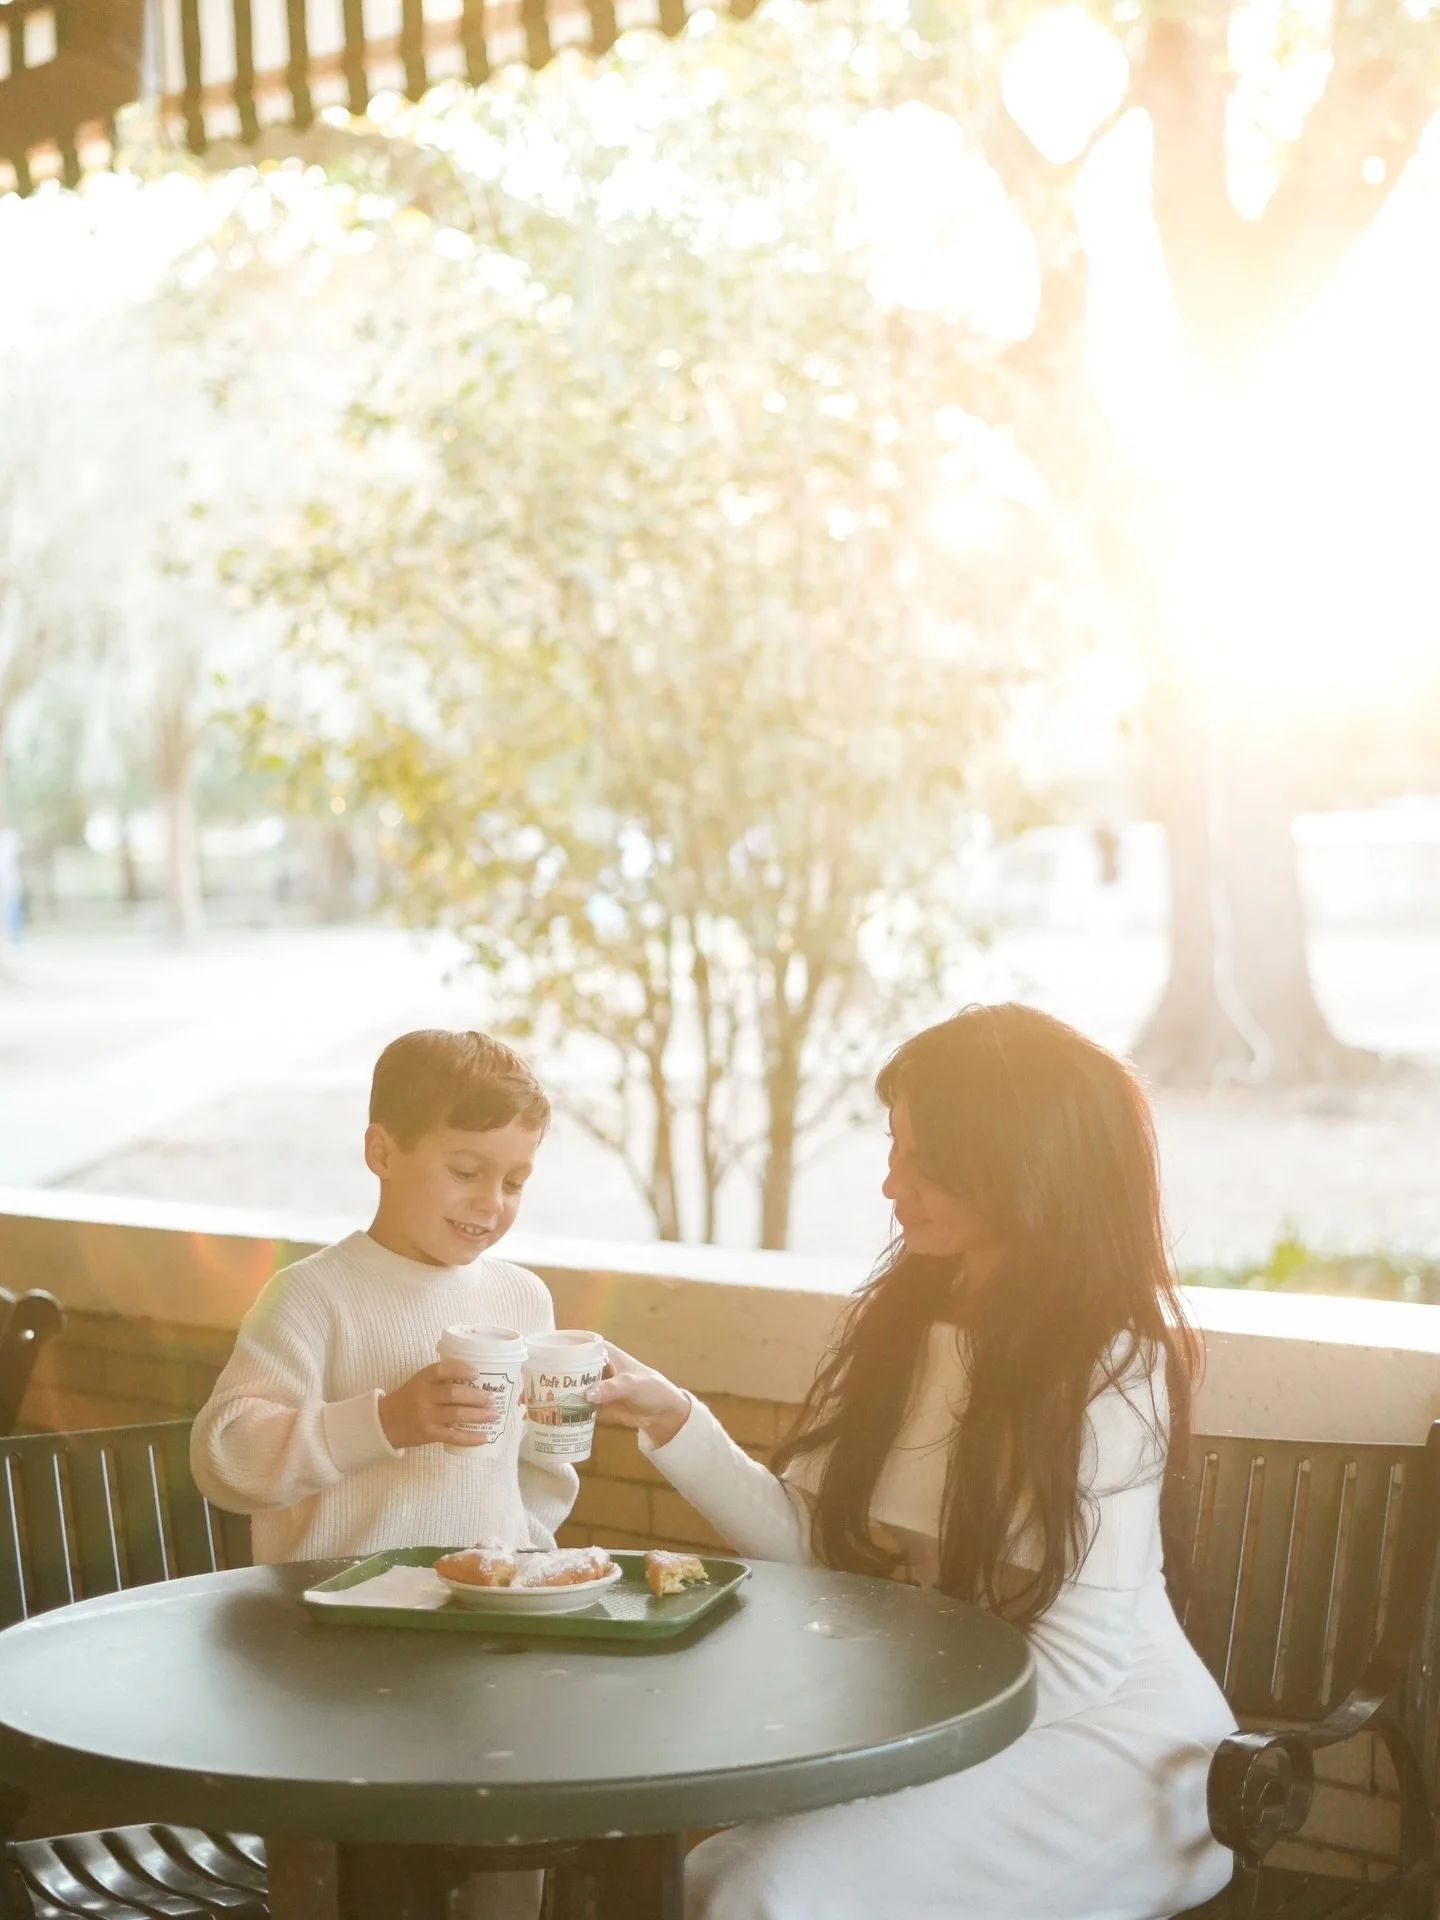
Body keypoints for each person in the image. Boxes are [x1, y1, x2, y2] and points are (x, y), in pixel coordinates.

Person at [589, 1003, 1236, 1920]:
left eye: (924, 1159)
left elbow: (1082, 1665)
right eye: (894, 1150)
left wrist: (860, 1747)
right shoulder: (910, 1317)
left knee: (760, 1892)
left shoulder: (1108, 1366)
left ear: (1020, 1161)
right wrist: (675, 1420)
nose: (894, 1184)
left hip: (1116, 1751)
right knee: (704, 1885)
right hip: (957, 1721)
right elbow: (820, 1542)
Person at [193, 1028, 567, 1920]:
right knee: (346, 1890)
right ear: (382, 1151)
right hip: (333, 1669)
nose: (492, 1202)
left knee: (507, 1869)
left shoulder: (521, 1300)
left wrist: (536, 1558)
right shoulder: (313, 1297)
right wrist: (385, 1421)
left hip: (483, 1653)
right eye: (467, 1169)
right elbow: (226, 1454)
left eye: (515, 1180)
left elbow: (538, 1471)